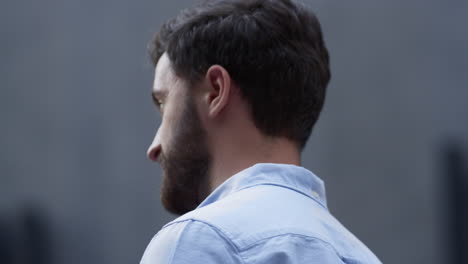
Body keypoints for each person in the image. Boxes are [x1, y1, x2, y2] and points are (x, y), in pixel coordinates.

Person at [141, 0, 381, 263]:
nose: (153, 148)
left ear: (215, 91)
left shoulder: (197, 240)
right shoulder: (359, 255)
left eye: (163, 103)